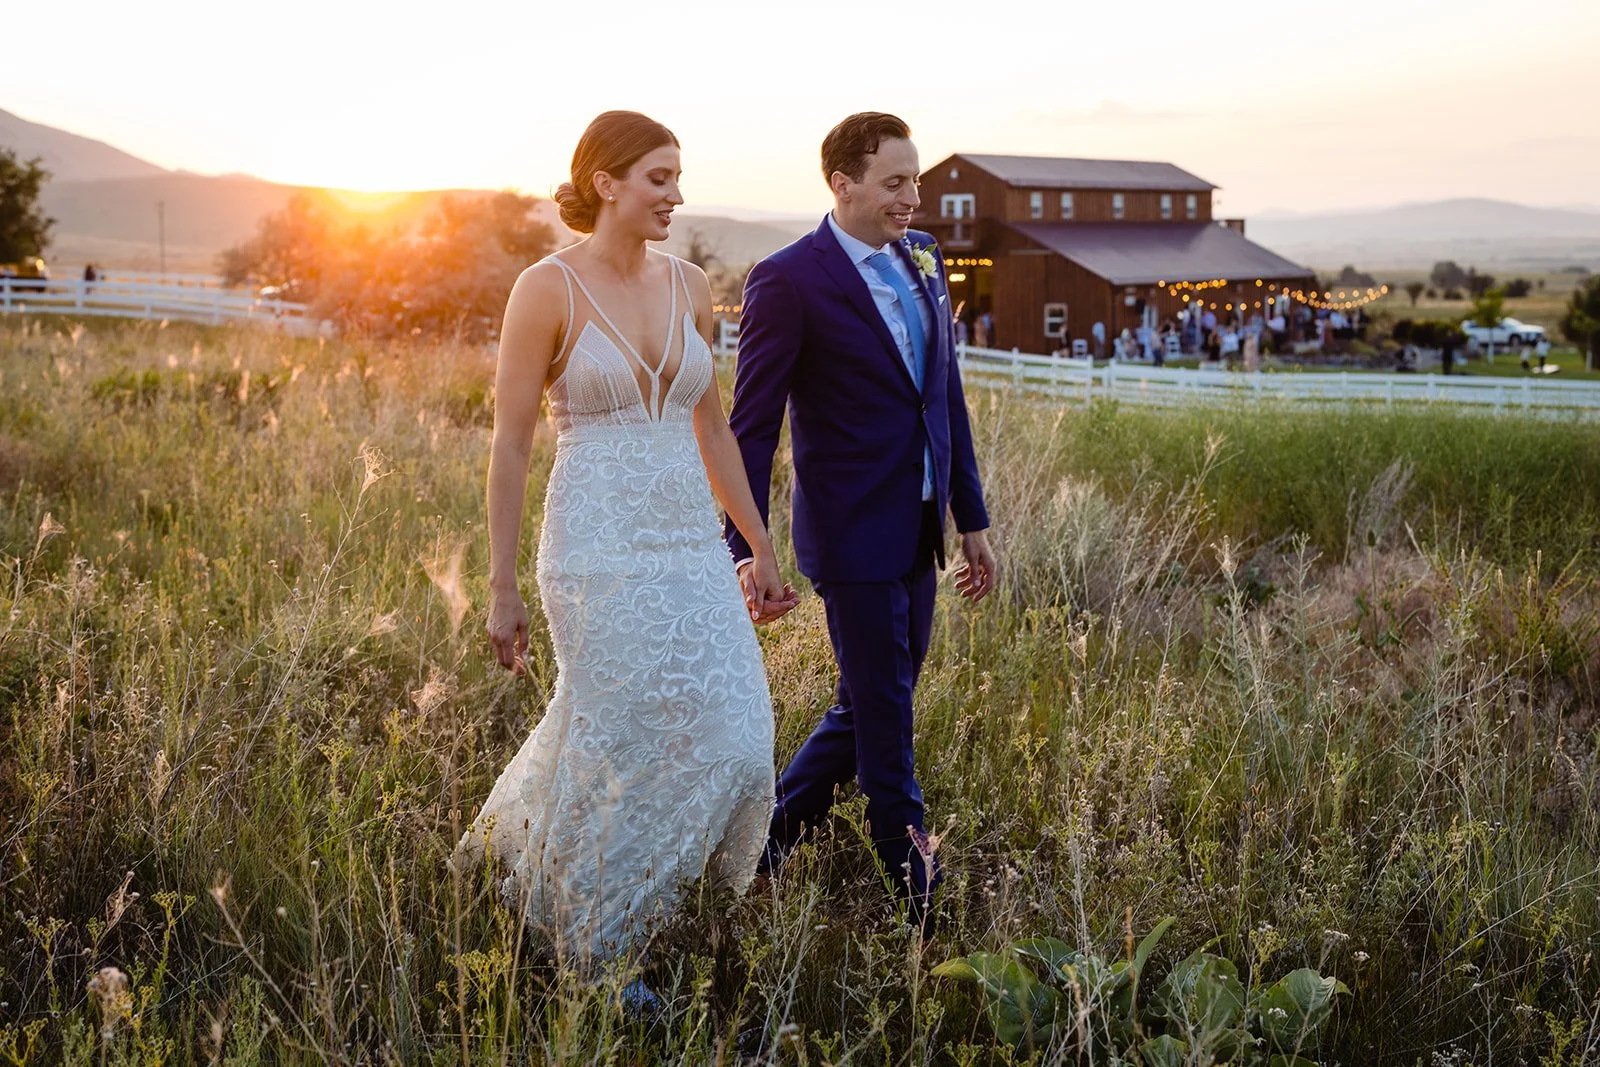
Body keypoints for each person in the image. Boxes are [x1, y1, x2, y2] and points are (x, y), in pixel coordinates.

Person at [464, 111, 799, 965]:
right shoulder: (546, 288)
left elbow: (713, 429)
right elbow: (509, 443)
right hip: (595, 551)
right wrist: (500, 586)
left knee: (735, 736)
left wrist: (756, 544)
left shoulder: (689, 285)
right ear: (606, 181)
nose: (676, 195)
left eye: (679, 177)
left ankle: (564, 879)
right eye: (659, 177)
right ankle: (591, 946)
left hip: (690, 544)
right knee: (620, 734)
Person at [726, 112, 997, 925]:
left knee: (871, 698)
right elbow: (752, 423)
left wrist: (970, 518)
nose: (913, 197)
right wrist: (749, 544)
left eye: (916, 180)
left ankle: (763, 847)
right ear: (841, 185)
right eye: (894, 182)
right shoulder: (789, 279)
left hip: (920, 530)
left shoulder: (924, 258)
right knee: (888, 724)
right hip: (849, 537)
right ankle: (918, 910)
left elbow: (942, 394)